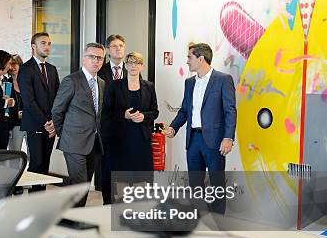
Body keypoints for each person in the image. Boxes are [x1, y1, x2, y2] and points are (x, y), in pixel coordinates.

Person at [165, 43, 236, 214]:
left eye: (190, 57)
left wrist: (228, 138)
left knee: (216, 183)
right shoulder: (189, 82)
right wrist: (174, 127)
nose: (187, 61)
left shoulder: (223, 79)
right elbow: (184, 110)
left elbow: (230, 110)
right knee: (195, 184)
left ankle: (218, 219)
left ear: (201, 58)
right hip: (193, 140)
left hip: (215, 140)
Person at [51, 43, 106, 207]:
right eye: (92, 57)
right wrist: (64, 133)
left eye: (100, 58)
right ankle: (73, 220)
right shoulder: (71, 80)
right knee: (79, 183)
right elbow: (57, 111)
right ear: (84, 58)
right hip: (73, 142)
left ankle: (71, 215)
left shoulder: (101, 83)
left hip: (94, 142)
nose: (96, 61)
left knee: (84, 185)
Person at [101, 52, 158, 204]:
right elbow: (106, 112)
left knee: (141, 177)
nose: (133, 66)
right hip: (120, 139)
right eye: (130, 63)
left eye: (137, 63)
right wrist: (123, 115)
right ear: (125, 65)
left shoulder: (149, 86)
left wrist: (144, 116)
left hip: (141, 139)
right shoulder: (114, 85)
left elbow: (155, 111)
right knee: (118, 177)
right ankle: (113, 208)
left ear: (142, 66)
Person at [17, 33, 60, 190]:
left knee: (45, 166)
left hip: (51, 125)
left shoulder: (52, 69)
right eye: (43, 43)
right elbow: (29, 101)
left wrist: (54, 121)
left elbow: (58, 98)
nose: (47, 46)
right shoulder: (25, 69)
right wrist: (45, 122)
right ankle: (33, 202)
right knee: (36, 164)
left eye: (49, 43)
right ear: (33, 47)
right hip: (35, 124)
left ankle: (41, 199)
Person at [96, 34, 127, 195]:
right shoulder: (100, 72)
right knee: (106, 166)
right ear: (108, 50)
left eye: (121, 45)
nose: (118, 48)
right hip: (106, 126)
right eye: (114, 46)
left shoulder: (132, 71)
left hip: (126, 127)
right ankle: (106, 197)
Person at [5, 54, 25, 151]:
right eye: (10, 64)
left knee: (34, 155)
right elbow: (5, 106)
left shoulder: (28, 82)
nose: (12, 67)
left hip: (29, 122)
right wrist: (15, 114)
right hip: (14, 124)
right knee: (14, 154)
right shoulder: (6, 84)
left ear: (20, 64)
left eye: (15, 64)